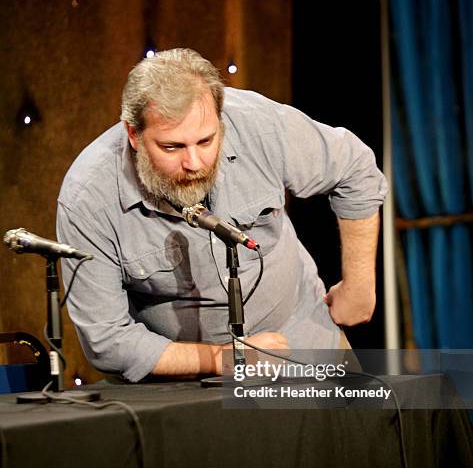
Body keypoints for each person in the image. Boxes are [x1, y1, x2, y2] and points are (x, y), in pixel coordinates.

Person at [57, 48, 387, 382]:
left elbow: (355, 170)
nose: (194, 163)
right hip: (181, 381)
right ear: (133, 135)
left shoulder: (259, 124)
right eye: (172, 147)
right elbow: (106, 341)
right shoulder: (88, 197)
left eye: (206, 141)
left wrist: (359, 287)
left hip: (303, 339)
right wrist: (221, 359)